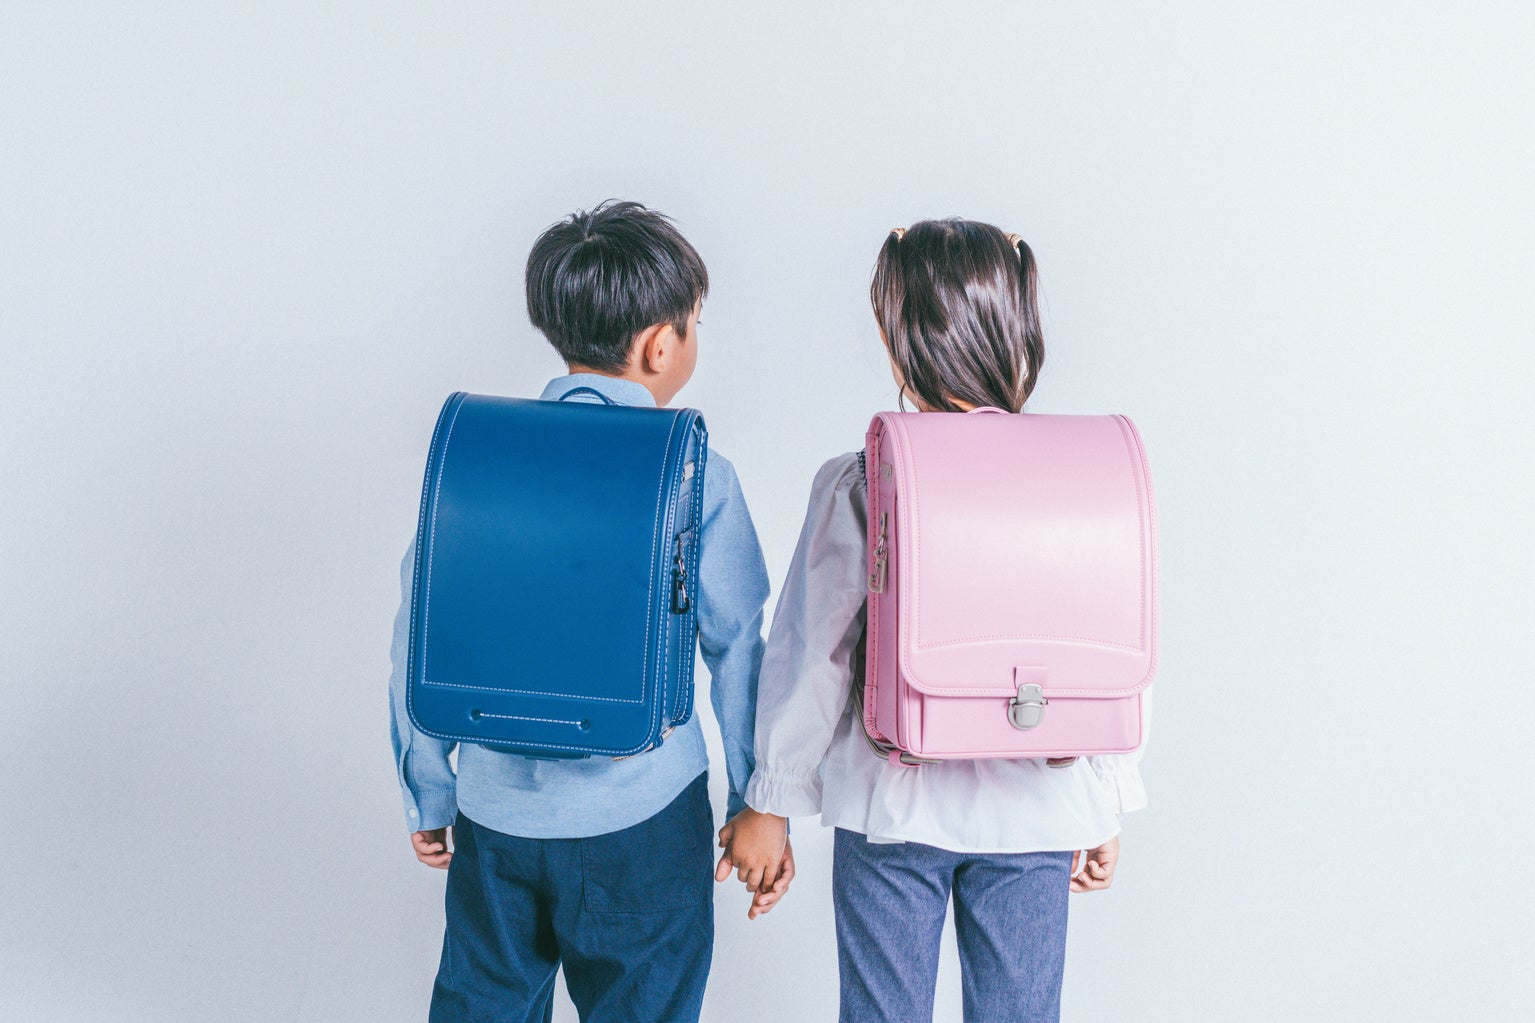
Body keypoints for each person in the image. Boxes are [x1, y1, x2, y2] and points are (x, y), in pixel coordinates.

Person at [719, 219, 1150, 1023]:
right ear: (1019, 334)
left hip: (894, 805)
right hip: (1037, 803)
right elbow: (1108, 646)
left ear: (899, 347)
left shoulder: (864, 479)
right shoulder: (1087, 473)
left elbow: (814, 651)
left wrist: (771, 797)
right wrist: (1104, 795)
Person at [388, 200, 785, 1023]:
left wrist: (429, 786)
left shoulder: (477, 457)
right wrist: (754, 800)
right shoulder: (693, 471)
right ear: (661, 344)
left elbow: (419, 632)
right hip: (644, 818)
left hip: (495, 815)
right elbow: (739, 645)